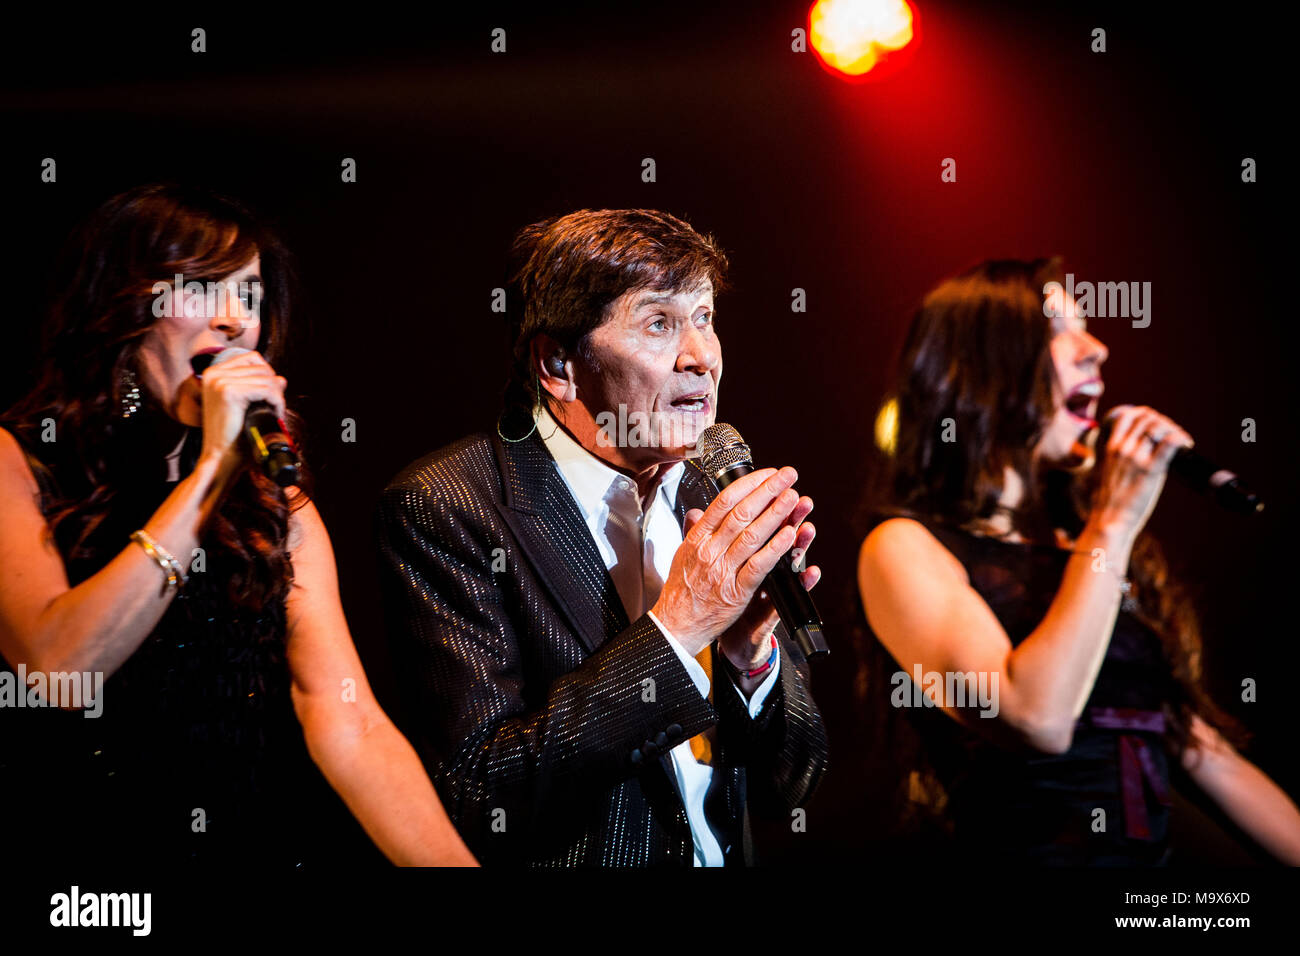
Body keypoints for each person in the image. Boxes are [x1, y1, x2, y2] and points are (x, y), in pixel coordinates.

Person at [0, 184, 476, 867]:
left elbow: (347, 721)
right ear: (123, 306)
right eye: (201, 288)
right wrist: (209, 475)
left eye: (248, 294)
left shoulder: (270, 499)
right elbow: (60, 672)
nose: (233, 320)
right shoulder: (21, 461)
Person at [377, 208, 828, 866]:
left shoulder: (711, 492)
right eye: (659, 323)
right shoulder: (449, 507)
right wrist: (679, 631)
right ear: (559, 364)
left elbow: (794, 786)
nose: (700, 358)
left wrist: (749, 663)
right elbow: (480, 798)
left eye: (704, 318)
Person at [856, 258, 1300, 864]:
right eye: (1058, 331)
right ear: (980, 365)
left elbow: (1199, 750)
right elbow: (1034, 718)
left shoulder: (1083, 545)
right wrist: (1112, 523)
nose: (1098, 350)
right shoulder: (903, 547)